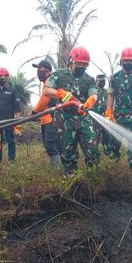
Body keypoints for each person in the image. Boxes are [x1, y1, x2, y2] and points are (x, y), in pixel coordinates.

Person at [40, 46, 99, 178]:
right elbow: (46, 91)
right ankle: (71, 180)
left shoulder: (88, 79)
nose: (81, 67)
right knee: (68, 153)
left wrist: (91, 100)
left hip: (83, 118)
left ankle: (94, 180)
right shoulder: (58, 75)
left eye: (85, 65)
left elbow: (94, 94)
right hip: (64, 119)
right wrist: (59, 93)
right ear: (71, 61)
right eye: (79, 64)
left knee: (93, 150)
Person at [105, 47, 132, 168]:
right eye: (126, 61)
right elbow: (110, 95)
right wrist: (109, 111)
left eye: (131, 61)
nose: (128, 63)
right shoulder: (114, 77)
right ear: (121, 61)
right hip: (117, 116)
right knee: (113, 143)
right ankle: (114, 169)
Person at [31, 60, 62, 168]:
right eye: (38, 69)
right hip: (46, 119)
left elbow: (45, 99)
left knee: (51, 145)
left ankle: (59, 171)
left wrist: (35, 112)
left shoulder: (50, 82)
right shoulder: (46, 83)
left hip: (51, 119)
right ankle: (62, 169)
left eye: (40, 68)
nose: (38, 71)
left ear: (48, 71)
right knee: (54, 145)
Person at [0, 67, 21, 162]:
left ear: (6, 77)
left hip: (9, 120)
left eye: (1, 76)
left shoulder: (12, 90)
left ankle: (11, 159)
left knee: (11, 141)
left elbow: (17, 108)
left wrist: (18, 124)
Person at [92, 74, 110, 155]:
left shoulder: (106, 92)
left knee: (107, 136)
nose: (103, 83)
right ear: (96, 81)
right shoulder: (93, 91)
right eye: (101, 81)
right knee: (96, 137)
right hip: (95, 118)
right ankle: (95, 153)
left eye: (104, 81)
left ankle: (107, 151)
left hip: (106, 118)